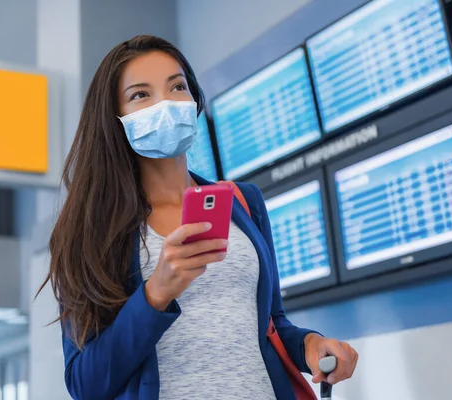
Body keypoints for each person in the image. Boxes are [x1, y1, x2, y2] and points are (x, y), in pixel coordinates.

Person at [41, 35, 358, 400]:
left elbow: (270, 324)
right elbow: (85, 384)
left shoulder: (245, 203)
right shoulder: (90, 232)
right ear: (116, 119)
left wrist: (310, 344)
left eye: (177, 86)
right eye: (141, 95)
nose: (166, 103)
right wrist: (155, 294)